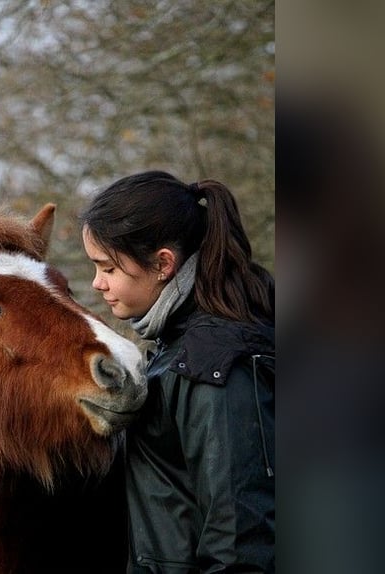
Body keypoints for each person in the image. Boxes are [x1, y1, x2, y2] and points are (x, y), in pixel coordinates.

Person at [80, 170, 275, 573]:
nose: (97, 283)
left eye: (108, 268)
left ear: (163, 264)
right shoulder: (179, 349)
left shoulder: (215, 366)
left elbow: (242, 543)